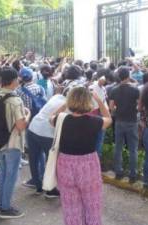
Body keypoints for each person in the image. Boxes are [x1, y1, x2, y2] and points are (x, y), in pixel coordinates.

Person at [52, 87, 112, 225]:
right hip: (88, 165)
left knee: (70, 207)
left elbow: (50, 117)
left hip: (65, 165)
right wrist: (98, 99)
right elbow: (108, 118)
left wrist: (66, 104)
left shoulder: (61, 120)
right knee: (92, 205)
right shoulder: (94, 122)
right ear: (88, 102)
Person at [0, 67, 30, 219]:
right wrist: (28, 114)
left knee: (3, 173)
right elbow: (21, 125)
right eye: (17, 78)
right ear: (13, 81)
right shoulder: (15, 100)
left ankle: (1, 204)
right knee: (11, 175)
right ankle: (5, 207)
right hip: (12, 143)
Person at [25, 93, 66, 197]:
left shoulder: (56, 96)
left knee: (34, 159)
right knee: (51, 161)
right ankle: (50, 190)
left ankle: (37, 185)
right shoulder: (68, 105)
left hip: (33, 127)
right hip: (47, 133)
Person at [109, 66, 140, 183]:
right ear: (128, 76)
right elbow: (139, 106)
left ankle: (118, 172)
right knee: (133, 149)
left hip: (119, 121)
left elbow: (111, 107)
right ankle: (133, 175)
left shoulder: (114, 90)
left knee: (118, 147)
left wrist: (117, 111)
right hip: (132, 121)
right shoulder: (135, 90)